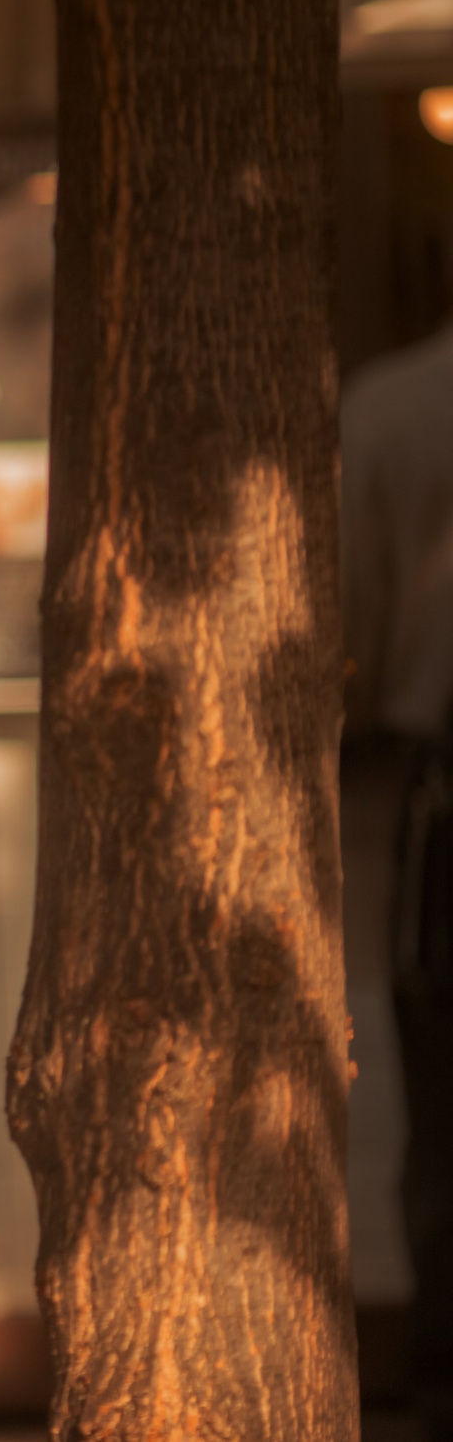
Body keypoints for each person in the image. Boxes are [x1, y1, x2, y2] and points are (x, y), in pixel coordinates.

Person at [344, 318, 453, 1440]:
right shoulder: (390, 405)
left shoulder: (393, 408)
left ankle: (440, 1388)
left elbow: (350, 641)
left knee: (446, 1125)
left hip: (442, 800)